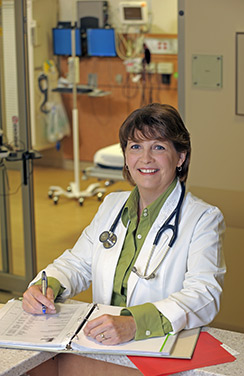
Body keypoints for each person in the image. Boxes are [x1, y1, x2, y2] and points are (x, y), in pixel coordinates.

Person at [22, 103, 226, 345]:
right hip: (102, 343)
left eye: (158, 147)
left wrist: (135, 323)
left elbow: (204, 295)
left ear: (180, 157)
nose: (145, 158)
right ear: (126, 156)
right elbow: (77, 264)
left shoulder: (203, 218)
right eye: (136, 146)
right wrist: (46, 287)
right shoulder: (112, 205)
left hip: (160, 345)